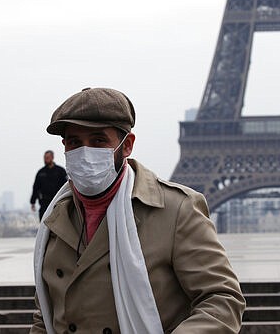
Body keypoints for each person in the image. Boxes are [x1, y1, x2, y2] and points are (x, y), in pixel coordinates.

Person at [32, 88, 246, 333]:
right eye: (75, 143)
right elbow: (45, 315)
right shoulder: (54, 221)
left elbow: (221, 298)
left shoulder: (176, 209)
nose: (85, 152)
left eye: (98, 141)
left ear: (127, 145)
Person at [30, 150, 68, 220]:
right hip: (44, 203)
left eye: (47, 158)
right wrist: (33, 202)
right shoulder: (41, 173)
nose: (45, 160)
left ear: (52, 158)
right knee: (44, 225)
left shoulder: (60, 171)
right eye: (44, 158)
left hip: (58, 203)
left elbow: (67, 187)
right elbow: (35, 187)